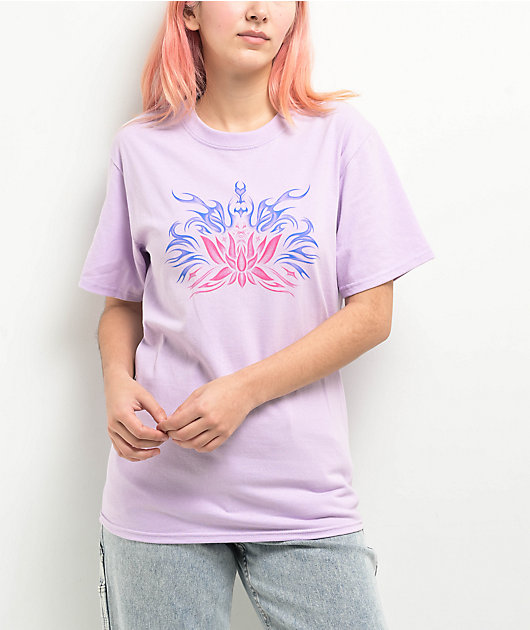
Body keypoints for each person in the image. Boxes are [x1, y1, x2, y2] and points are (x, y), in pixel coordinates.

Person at [79, 2, 435, 628]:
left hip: (302, 492)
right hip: (160, 491)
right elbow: (122, 304)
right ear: (190, 11)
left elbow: (372, 314)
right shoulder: (140, 147)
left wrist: (243, 390)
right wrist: (115, 381)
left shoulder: (340, 138)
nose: (258, 10)